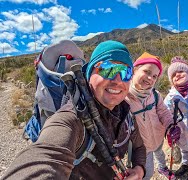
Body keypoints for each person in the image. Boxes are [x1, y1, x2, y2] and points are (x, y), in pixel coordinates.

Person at [2, 40, 146, 180]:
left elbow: (139, 146)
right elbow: (44, 158)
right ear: (89, 74)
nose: (118, 80)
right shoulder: (72, 117)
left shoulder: (126, 113)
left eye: (126, 72)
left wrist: (139, 170)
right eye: (108, 69)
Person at [125, 52, 181, 180]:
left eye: (155, 76)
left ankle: (162, 167)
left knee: (160, 153)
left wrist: (170, 126)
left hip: (158, 136)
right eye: (147, 72)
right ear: (134, 70)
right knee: (147, 172)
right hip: (142, 147)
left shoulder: (155, 95)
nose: (150, 78)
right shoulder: (124, 98)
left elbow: (163, 112)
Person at [163, 56, 188, 179]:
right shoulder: (171, 97)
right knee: (183, 148)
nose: (177, 75)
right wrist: (169, 129)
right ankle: (185, 164)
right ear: (171, 81)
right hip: (181, 129)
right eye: (173, 75)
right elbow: (165, 112)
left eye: (180, 71)